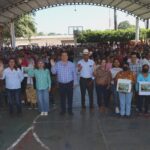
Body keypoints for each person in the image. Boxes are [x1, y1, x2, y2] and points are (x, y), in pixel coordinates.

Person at [51, 51, 77, 116]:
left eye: (65, 55)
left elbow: (74, 74)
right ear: (61, 57)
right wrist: (53, 65)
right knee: (62, 98)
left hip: (69, 83)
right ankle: (63, 110)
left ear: (67, 57)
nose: (64, 57)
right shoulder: (57, 64)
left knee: (70, 98)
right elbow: (53, 72)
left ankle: (70, 110)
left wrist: (75, 83)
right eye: (62, 55)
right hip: (61, 84)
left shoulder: (71, 64)